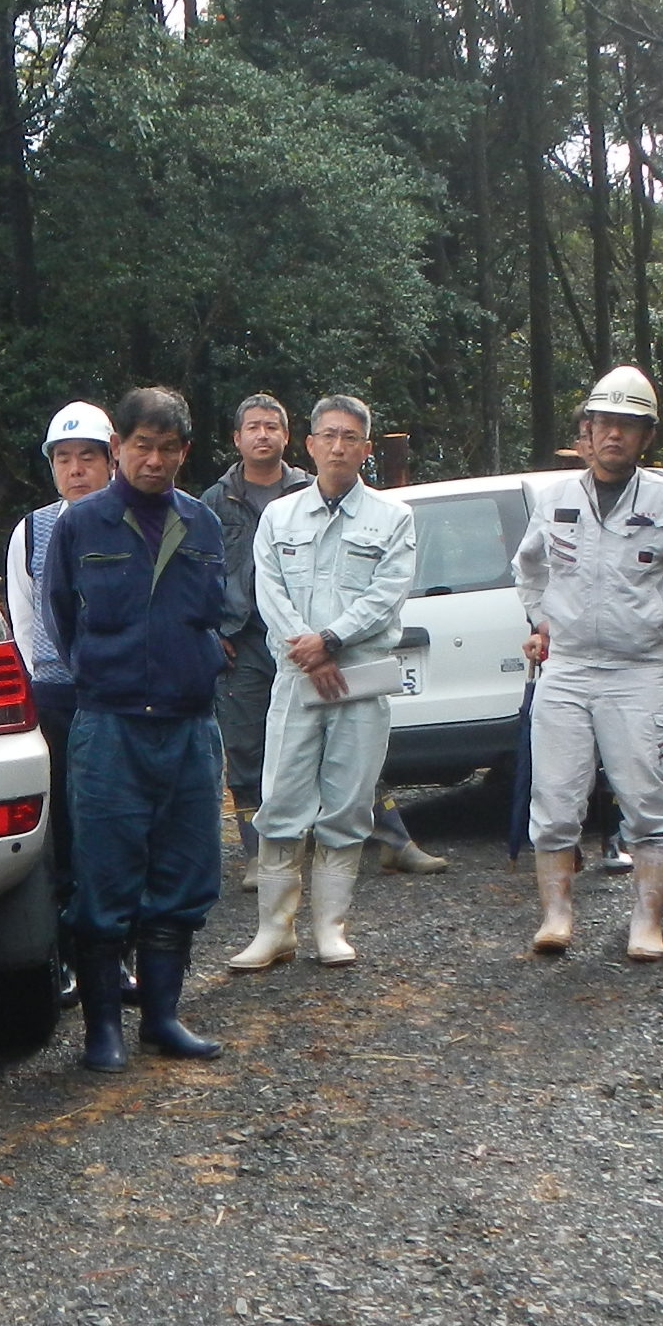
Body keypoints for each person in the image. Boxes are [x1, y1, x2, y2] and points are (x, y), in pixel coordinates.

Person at [511, 366, 663, 961]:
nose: (614, 436)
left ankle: (647, 923)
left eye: (628, 427)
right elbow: (528, 565)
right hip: (567, 671)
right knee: (555, 798)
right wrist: (540, 621)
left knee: (648, 801)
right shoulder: (554, 499)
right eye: (603, 424)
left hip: (638, 673)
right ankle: (556, 915)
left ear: (646, 436)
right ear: (586, 431)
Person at [41, 386, 230, 1069]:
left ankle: (162, 1019)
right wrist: (111, 674)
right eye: (142, 446)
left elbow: (213, 616)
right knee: (103, 880)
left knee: (184, 876)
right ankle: (102, 1032)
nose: (154, 460)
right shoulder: (81, 526)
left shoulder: (202, 524)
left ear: (185, 451)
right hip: (110, 727)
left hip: (188, 729)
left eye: (168, 448)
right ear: (119, 447)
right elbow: (61, 617)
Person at [227, 396, 418, 971]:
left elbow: (388, 591)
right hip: (295, 678)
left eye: (351, 437)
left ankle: (330, 929)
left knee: (348, 801)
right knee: (282, 799)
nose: (339, 447)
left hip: (359, 676)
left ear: (366, 447)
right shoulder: (279, 518)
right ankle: (273, 930)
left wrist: (331, 640)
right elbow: (269, 590)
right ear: (308, 445)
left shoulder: (393, 518)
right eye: (328, 436)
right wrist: (308, 649)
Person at [10, 402, 116, 959]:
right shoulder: (31, 530)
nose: (76, 470)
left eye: (87, 458)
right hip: (55, 698)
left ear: (110, 460)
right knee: (65, 830)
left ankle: (121, 954)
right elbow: (24, 627)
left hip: (121, 698)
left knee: (119, 826)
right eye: (64, 459)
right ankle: (70, 955)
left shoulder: (135, 519)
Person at [203, 395, 301, 869]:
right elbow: (196, 572)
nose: (263, 434)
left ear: (287, 435)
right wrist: (211, 629)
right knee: (244, 748)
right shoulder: (213, 502)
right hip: (241, 639)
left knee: (329, 737)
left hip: (304, 638)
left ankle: (387, 840)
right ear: (237, 438)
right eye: (253, 427)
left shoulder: (310, 491)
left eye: (272, 426)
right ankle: (259, 855)